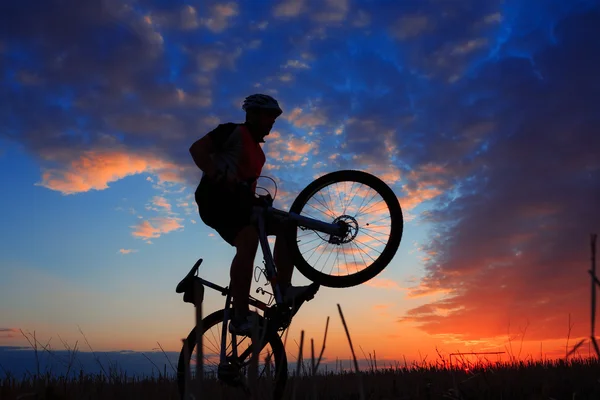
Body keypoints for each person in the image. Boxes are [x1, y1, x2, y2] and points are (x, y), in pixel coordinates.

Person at [189, 93, 316, 336]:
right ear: (253, 114)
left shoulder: (260, 155)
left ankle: (285, 287)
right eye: (269, 116)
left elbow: (246, 189)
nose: (272, 122)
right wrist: (217, 174)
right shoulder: (232, 131)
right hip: (215, 198)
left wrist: (258, 200)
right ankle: (239, 316)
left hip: (240, 204)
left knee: (287, 223)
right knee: (248, 238)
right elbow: (197, 150)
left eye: (274, 118)